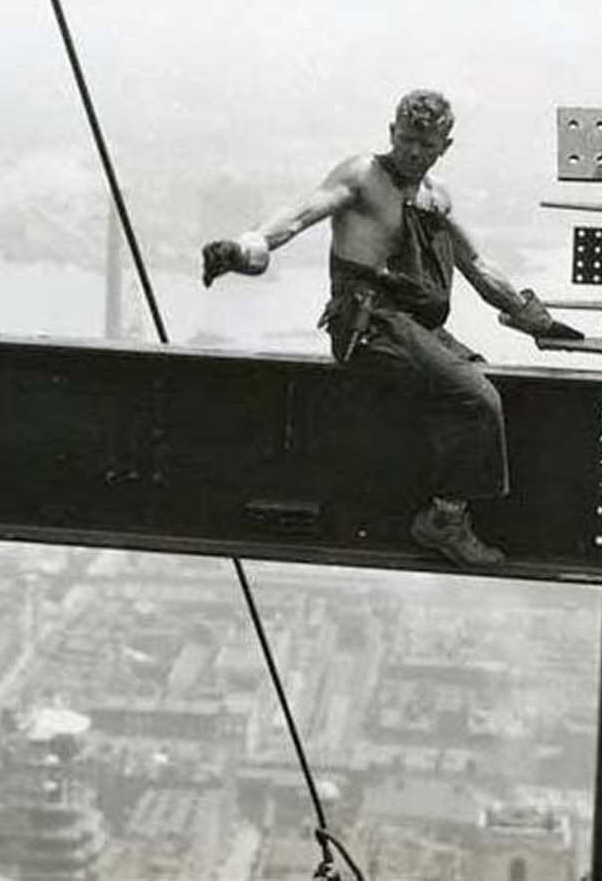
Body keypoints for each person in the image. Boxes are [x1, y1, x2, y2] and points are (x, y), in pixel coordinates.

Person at [201, 89, 581, 567]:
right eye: (406, 140)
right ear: (391, 134)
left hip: (413, 328)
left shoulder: (435, 199)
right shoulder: (363, 176)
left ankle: (441, 494)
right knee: (476, 397)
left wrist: (535, 320)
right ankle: (444, 520)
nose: (414, 152)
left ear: (445, 145)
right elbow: (298, 216)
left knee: (485, 383)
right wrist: (244, 248)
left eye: (426, 144)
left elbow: (479, 268)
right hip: (370, 324)